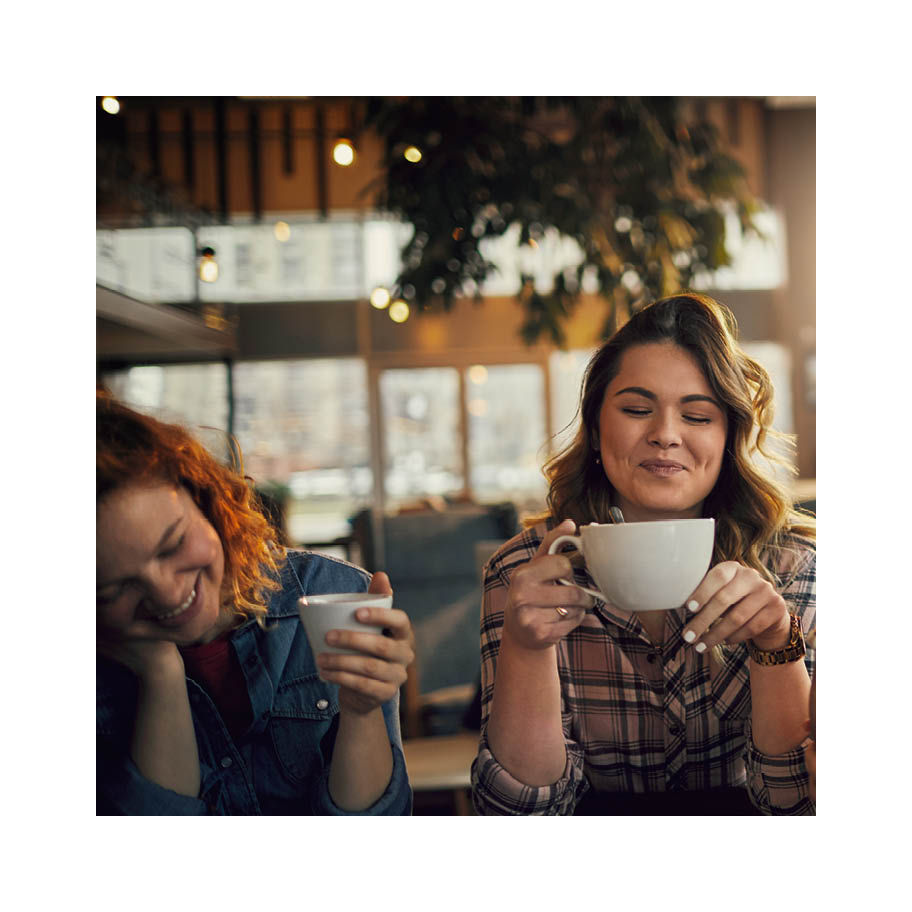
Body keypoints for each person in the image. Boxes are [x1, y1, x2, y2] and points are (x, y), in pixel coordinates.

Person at [470, 293, 816, 815]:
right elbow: (519, 817)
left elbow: (796, 807)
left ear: (729, 438)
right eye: (636, 410)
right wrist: (526, 648)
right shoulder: (524, 572)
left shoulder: (793, 566)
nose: (665, 435)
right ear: (594, 428)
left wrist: (775, 643)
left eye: (698, 416)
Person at [96, 391, 414, 815]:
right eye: (115, 589)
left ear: (205, 498)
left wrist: (361, 710)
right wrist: (161, 672)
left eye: (173, 544)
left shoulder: (332, 592)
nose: (168, 594)